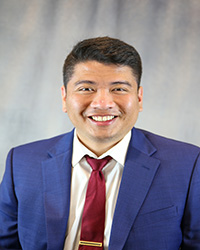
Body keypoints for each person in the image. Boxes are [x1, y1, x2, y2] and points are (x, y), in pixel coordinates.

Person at [0, 36, 199, 250]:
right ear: (64, 97)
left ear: (139, 98)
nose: (103, 103)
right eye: (86, 89)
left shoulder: (187, 165)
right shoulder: (21, 163)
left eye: (119, 89)